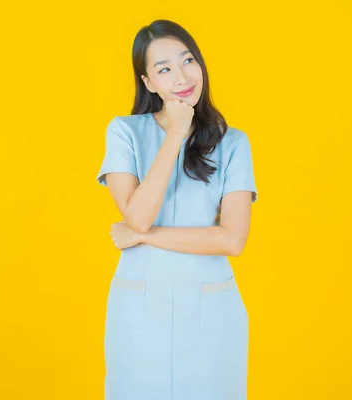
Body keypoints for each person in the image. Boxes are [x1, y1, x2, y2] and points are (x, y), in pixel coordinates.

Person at [96, 19, 258, 400]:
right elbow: (137, 215)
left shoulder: (233, 143)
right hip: (138, 311)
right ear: (148, 82)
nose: (182, 76)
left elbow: (232, 239)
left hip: (212, 313)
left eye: (188, 61)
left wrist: (144, 237)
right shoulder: (124, 132)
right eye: (164, 69)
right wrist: (175, 134)